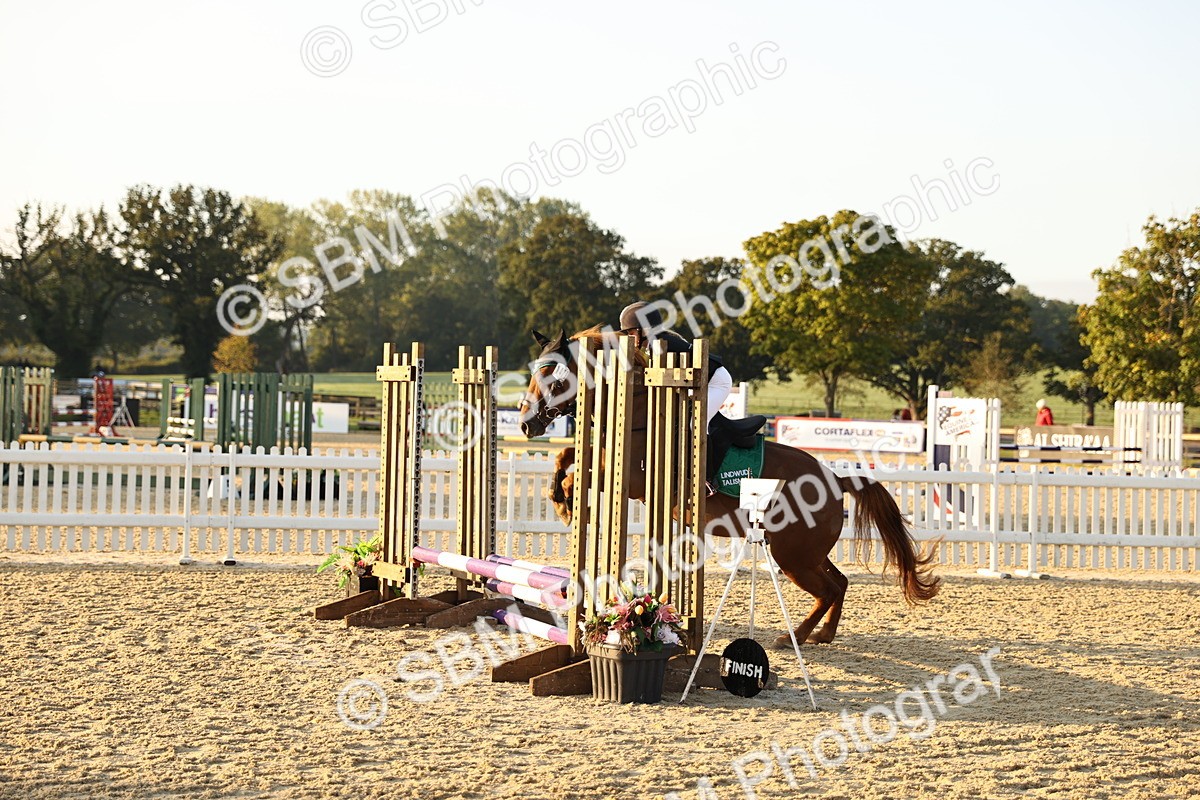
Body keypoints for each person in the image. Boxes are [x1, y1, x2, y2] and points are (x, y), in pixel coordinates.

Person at [619, 301, 734, 494]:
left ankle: (706, 478)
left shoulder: (661, 345)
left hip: (716, 382)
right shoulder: (654, 345)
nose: (629, 337)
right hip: (695, 383)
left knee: (694, 424)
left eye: (631, 332)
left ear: (643, 329)